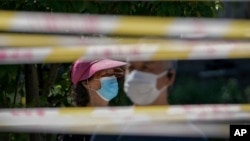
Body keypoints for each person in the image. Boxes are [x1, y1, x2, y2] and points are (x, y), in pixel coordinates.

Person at [117, 60, 208, 141]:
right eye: (131, 67)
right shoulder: (110, 129)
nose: (135, 75)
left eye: (145, 67)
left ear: (169, 77)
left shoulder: (189, 136)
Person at [57, 59, 127, 141]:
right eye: (104, 75)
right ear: (86, 83)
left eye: (112, 74)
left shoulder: (122, 122)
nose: (112, 78)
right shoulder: (72, 129)